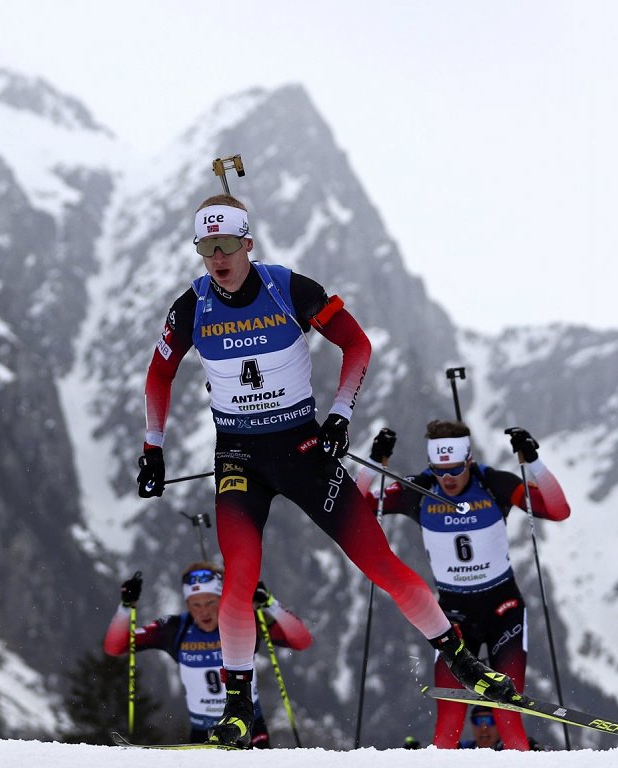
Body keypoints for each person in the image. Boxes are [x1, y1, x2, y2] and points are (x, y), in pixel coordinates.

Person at [136, 194, 520, 748]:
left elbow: (358, 345)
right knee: (239, 576)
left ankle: (460, 660)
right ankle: (240, 706)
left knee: (379, 563)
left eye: (225, 245)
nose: (216, 257)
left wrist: (341, 414)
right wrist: (153, 448)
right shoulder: (191, 306)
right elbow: (158, 375)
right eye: (205, 247)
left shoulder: (289, 288)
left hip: (302, 450)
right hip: (239, 457)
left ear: (248, 243)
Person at [355, 421, 571, 751]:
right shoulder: (421, 491)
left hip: (504, 610)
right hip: (453, 617)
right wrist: (373, 462)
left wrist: (534, 461)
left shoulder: (494, 483)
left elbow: (558, 510)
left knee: (508, 715)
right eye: (440, 470)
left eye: (455, 468)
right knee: (448, 723)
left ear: (468, 459)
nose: (448, 478)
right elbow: (359, 505)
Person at [102, 563, 313, 747]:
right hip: (204, 730)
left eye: (211, 602)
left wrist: (270, 604)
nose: (204, 611)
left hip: (249, 726)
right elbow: (115, 646)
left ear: (223, 599)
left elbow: (301, 640)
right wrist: (125, 607)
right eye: (196, 604)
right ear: (187, 604)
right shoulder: (174, 629)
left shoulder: (243, 623)